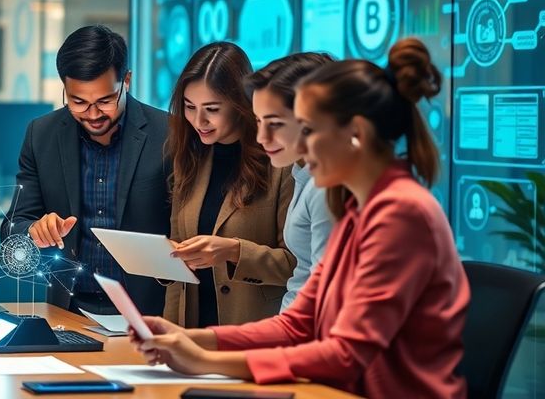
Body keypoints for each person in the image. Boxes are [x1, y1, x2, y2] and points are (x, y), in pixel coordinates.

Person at [130, 38, 469, 397]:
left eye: (303, 129)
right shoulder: (356, 208)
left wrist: (204, 359)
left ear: (355, 134)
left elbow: (347, 353)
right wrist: (189, 339)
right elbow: (299, 322)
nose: (285, 144)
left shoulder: (401, 212)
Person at [1, 25, 171, 315]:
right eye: (78, 101)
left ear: (126, 81)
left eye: (105, 101)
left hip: (150, 312)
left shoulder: (169, 134)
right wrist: (34, 230)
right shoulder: (41, 135)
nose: (92, 114)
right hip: (70, 310)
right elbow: (12, 229)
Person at [163, 42, 294, 327]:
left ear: (239, 104)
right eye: (189, 106)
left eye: (212, 109)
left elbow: (297, 265)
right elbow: (177, 276)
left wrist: (234, 251)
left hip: (253, 332)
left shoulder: (279, 162)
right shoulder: (191, 156)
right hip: (193, 333)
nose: (199, 121)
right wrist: (169, 337)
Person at [245, 52, 335, 312]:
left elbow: (323, 303)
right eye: (258, 122)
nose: (261, 137)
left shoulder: (326, 189)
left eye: (275, 124)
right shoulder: (303, 173)